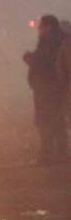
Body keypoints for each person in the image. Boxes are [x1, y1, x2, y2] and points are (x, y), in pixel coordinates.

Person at [23, 15, 68, 165]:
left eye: (40, 25)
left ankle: (48, 155)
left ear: (47, 26)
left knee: (46, 122)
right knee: (57, 121)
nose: (38, 29)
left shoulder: (50, 41)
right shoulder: (58, 39)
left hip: (47, 89)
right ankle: (60, 154)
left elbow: (45, 62)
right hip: (53, 88)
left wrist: (30, 58)